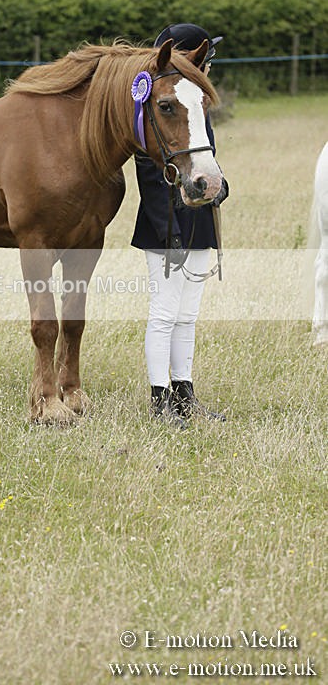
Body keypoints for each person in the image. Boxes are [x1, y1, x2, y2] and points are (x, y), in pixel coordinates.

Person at [131, 23, 228, 426]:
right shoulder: (151, 109)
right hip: (166, 222)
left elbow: (205, 158)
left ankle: (185, 393)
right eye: (203, 58)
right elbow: (150, 176)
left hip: (199, 218)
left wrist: (220, 185)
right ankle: (159, 399)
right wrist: (168, 231)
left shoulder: (192, 103)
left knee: (188, 314)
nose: (208, 65)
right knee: (165, 311)